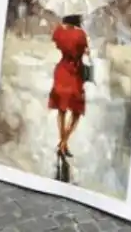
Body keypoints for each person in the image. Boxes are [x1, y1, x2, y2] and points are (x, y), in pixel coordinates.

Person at [49, 14, 89, 158]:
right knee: (76, 110)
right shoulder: (80, 35)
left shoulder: (59, 31)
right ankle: (64, 142)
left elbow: (58, 44)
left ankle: (62, 143)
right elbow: (84, 51)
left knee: (62, 109)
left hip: (62, 70)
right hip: (75, 73)